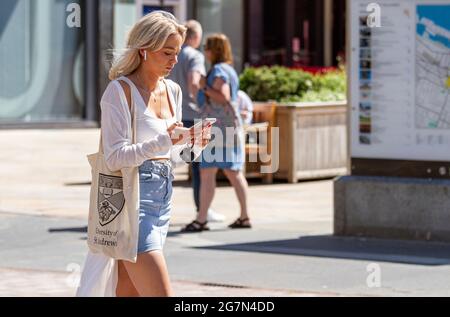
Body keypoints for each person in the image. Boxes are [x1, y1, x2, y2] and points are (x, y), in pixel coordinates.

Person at [100, 12, 211, 296]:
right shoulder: (119, 91)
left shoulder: (173, 90)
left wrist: (195, 144)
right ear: (144, 50)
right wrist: (164, 140)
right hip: (132, 202)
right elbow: (114, 157)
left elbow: (172, 156)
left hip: (163, 203)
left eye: (177, 52)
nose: (175, 60)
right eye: (167, 52)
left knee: (128, 292)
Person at [181, 33, 251, 232]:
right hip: (227, 127)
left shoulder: (219, 70)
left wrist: (203, 86)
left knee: (208, 173)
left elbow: (223, 96)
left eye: (207, 47)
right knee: (232, 172)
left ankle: (201, 219)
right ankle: (244, 216)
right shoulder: (228, 69)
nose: (205, 51)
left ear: (214, 50)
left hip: (218, 129)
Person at [168, 20, 225, 223]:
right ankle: (203, 210)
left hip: (174, 116)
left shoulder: (172, 54)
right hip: (193, 116)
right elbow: (194, 82)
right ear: (196, 37)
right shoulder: (194, 56)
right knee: (201, 167)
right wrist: (199, 102)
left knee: (174, 162)